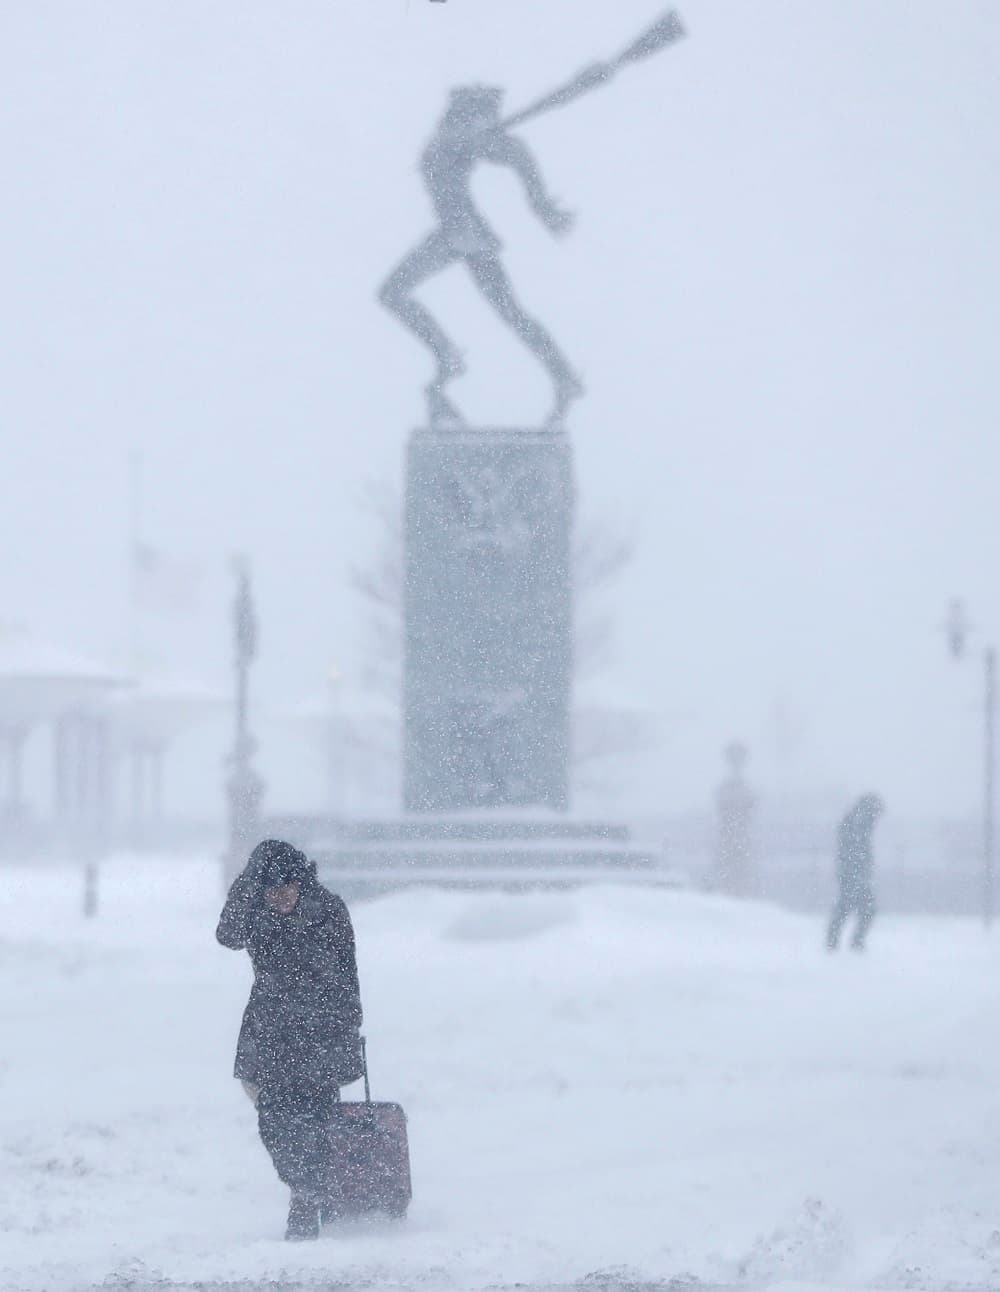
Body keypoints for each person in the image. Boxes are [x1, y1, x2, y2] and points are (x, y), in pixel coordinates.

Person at [378, 83, 583, 428]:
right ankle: (561, 375)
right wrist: (540, 203)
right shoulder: (454, 138)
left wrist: (541, 202)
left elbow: (516, 153)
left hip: (460, 235)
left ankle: (450, 357)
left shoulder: (468, 139)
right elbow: (511, 151)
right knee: (511, 312)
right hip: (462, 234)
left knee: (394, 293)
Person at [216, 838, 363, 1240]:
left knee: (316, 1117)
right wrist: (248, 880)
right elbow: (226, 934)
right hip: (270, 1030)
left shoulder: (328, 910)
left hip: (319, 1029)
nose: (280, 898)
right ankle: (308, 1186)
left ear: (301, 883)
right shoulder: (257, 911)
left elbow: (347, 970)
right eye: (271, 890)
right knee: (273, 1120)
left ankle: (308, 1194)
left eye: (287, 889)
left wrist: (351, 1023)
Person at [826, 794, 884, 951]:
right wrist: (858, 871)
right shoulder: (857, 824)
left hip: (852, 874)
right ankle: (847, 943)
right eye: (876, 813)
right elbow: (853, 851)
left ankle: (836, 942)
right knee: (862, 908)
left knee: (849, 907)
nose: (877, 819)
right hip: (852, 874)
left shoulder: (857, 822)